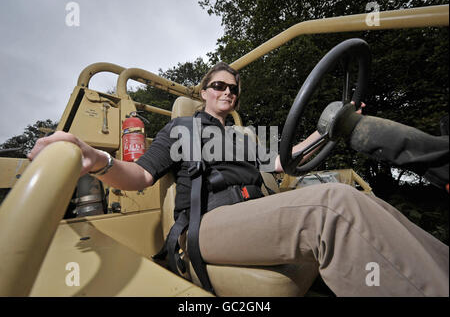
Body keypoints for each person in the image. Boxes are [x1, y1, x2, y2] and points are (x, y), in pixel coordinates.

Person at [28, 62, 448, 297]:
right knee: (330, 206)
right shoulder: (181, 131)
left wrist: (332, 127)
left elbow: (284, 161)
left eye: (233, 89)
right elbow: (137, 176)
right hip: (205, 228)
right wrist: (98, 159)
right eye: (219, 86)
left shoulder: (242, 138)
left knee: (366, 202)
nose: (227, 92)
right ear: (204, 91)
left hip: (252, 218)